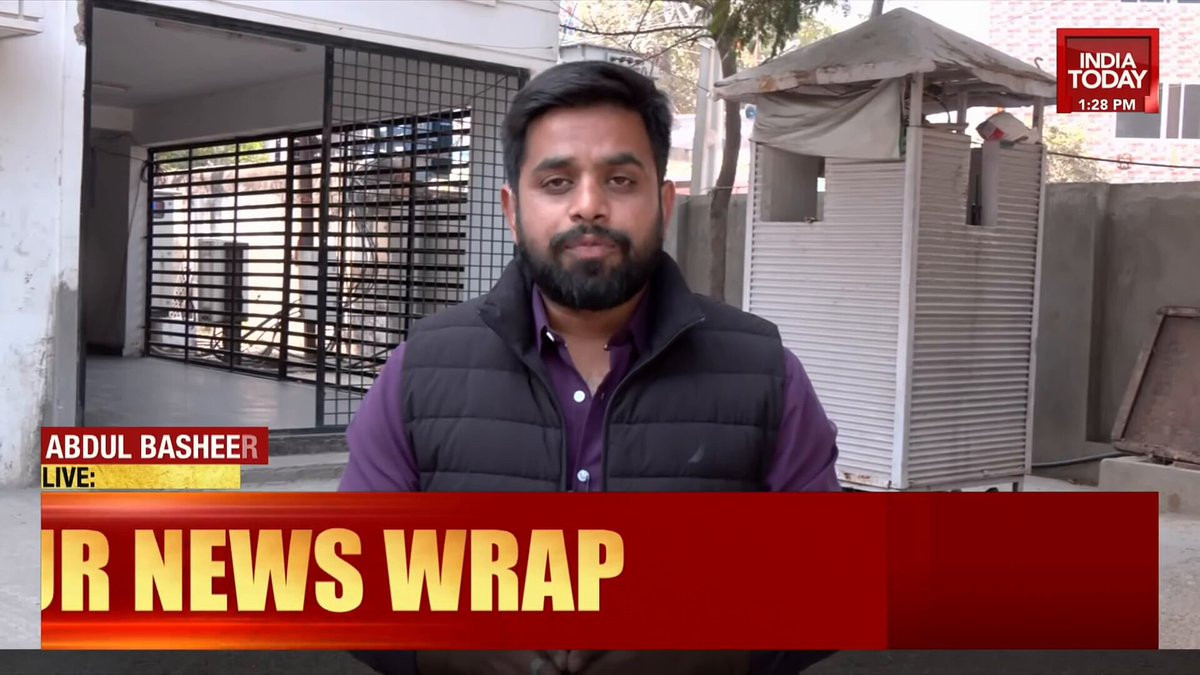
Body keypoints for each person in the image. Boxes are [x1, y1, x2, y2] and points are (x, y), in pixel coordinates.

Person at [340, 60, 840, 674]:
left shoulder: (765, 374)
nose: (589, 206)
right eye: (556, 182)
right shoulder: (419, 372)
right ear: (512, 210)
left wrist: (693, 648)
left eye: (620, 180)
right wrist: (461, 649)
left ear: (664, 203)